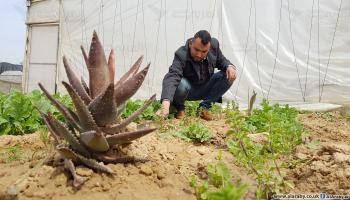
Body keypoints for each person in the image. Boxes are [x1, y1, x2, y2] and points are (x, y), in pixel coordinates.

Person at [157, 30, 237, 120]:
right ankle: (179, 109)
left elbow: (222, 61)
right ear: (191, 43)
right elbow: (173, 76)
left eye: (204, 51)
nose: (199, 55)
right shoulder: (181, 54)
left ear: (209, 47)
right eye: (196, 50)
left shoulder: (214, 45)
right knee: (181, 83)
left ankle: (204, 108)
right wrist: (165, 104)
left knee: (228, 74)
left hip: (205, 87)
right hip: (187, 91)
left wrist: (229, 67)